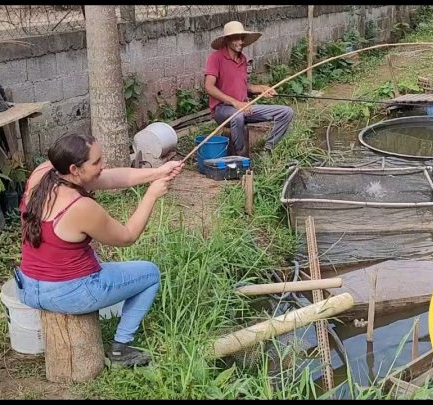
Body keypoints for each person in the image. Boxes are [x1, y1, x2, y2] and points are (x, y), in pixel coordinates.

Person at [15, 133, 184, 367]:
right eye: (96, 162)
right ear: (75, 169)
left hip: (27, 287)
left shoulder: (44, 172)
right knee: (150, 273)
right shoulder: (81, 207)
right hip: (67, 294)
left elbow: (113, 178)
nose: (102, 166)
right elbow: (127, 237)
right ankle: (121, 349)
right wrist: (151, 195)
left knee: (85, 253)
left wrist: (158, 172)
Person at [204, 20, 295, 157]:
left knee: (286, 112)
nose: (240, 42)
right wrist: (235, 103)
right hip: (222, 110)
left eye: (242, 38)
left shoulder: (243, 59)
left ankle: (267, 150)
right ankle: (241, 158)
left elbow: (241, 85)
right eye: (236, 38)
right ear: (227, 39)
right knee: (238, 116)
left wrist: (261, 88)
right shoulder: (215, 58)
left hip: (245, 107)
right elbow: (209, 87)